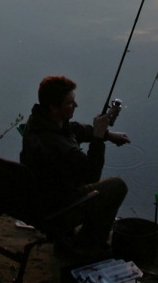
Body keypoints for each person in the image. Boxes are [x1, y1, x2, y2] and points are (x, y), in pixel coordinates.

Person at [20, 75, 130, 257]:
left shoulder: (38, 122)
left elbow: (72, 129)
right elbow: (91, 174)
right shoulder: (57, 146)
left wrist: (107, 134)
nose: (75, 106)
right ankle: (88, 244)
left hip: (36, 198)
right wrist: (97, 138)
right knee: (117, 186)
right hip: (57, 208)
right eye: (70, 103)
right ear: (54, 107)